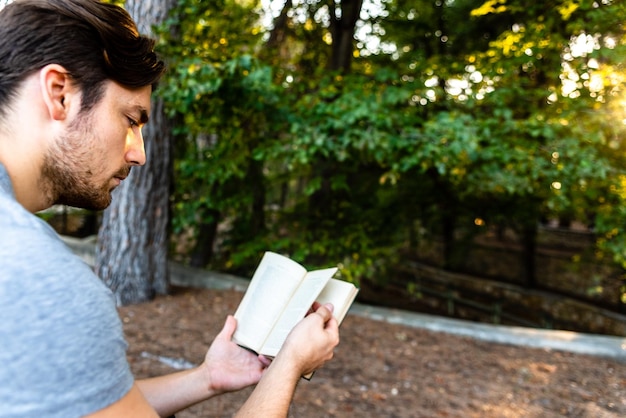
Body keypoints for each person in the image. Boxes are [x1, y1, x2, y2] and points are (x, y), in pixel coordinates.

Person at [0, 1, 340, 417]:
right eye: (131, 120)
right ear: (60, 93)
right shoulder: (39, 281)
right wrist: (287, 366)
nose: (139, 153)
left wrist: (208, 377)